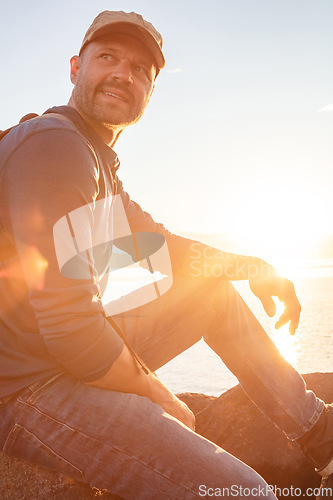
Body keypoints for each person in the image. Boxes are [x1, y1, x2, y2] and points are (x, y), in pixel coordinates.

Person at [0, 10, 331, 499]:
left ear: (151, 91)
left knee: (210, 294)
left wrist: (254, 268)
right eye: (108, 57)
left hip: (58, 357)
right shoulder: (56, 147)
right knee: (246, 493)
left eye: (140, 70)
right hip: (27, 388)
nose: (122, 74)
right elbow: (70, 324)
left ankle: (322, 440)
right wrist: (160, 396)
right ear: (75, 67)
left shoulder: (96, 163)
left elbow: (159, 249)